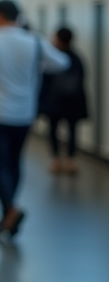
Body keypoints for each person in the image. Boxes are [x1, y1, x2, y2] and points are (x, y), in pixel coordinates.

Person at [0, 0, 69, 238]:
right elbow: (62, 63)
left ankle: (9, 210)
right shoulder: (34, 41)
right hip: (23, 114)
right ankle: (8, 214)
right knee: (14, 162)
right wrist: (37, 67)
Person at [39, 26, 88, 174]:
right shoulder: (77, 58)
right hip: (74, 101)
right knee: (72, 131)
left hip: (55, 101)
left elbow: (45, 79)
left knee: (53, 130)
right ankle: (70, 160)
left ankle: (56, 160)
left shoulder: (54, 58)